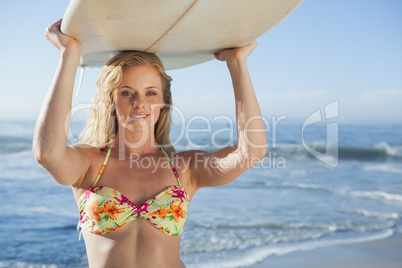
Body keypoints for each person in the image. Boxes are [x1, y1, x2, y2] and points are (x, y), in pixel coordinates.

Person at [33, 18, 267, 268]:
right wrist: (70, 53)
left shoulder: (184, 170)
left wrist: (237, 62)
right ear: (111, 100)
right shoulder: (89, 164)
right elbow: (48, 153)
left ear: (164, 99)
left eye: (150, 92)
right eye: (126, 92)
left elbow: (251, 151)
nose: (139, 103)